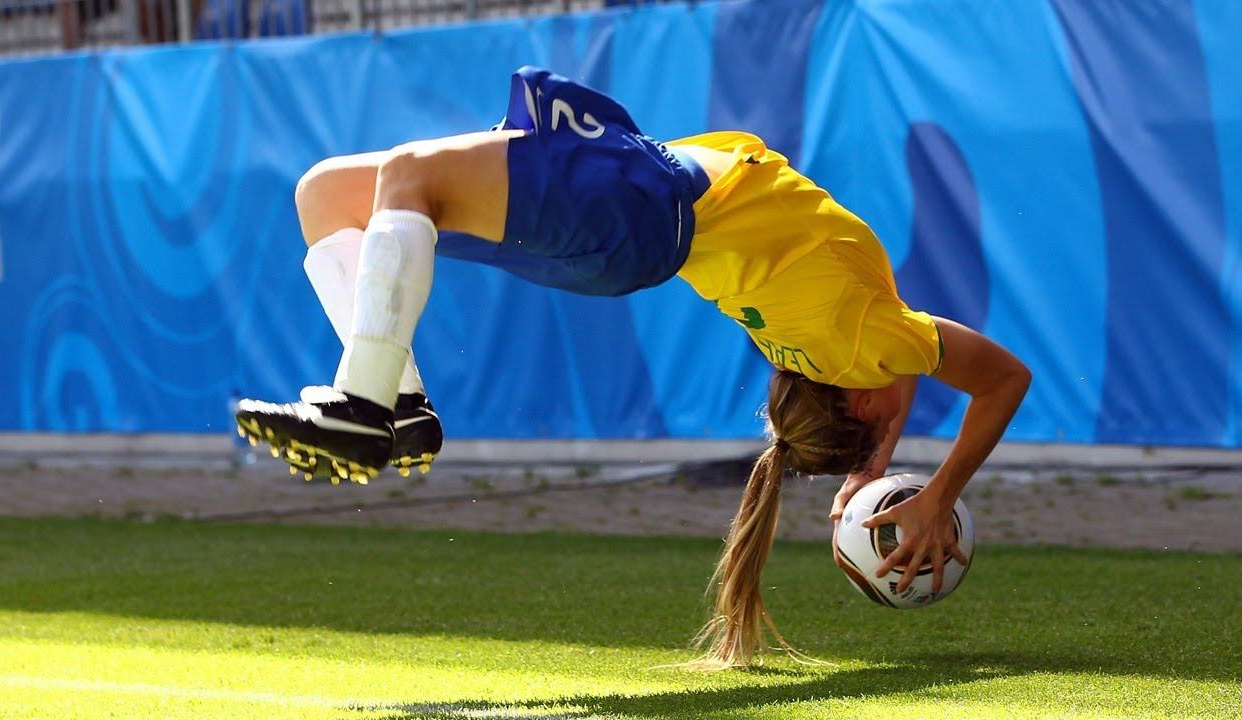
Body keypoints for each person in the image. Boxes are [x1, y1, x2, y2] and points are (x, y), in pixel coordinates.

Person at [235, 66, 1031, 669]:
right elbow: (923, 393)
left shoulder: (865, 341)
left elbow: (998, 378)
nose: (907, 401)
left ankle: (367, 407)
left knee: (404, 174)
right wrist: (887, 468)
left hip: (634, 202)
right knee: (335, 194)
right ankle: (399, 411)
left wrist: (937, 494)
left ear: (856, 403)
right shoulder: (834, 354)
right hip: (630, 211)